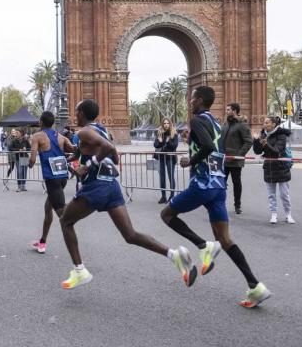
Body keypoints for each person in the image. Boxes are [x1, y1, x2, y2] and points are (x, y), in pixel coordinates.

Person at [59, 99, 195, 289]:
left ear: (82, 113)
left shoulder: (84, 131)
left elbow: (106, 148)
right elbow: (112, 153)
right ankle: (175, 255)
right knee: (130, 235)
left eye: (76, 111)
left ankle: (80, 270)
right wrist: (76, 156)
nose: (74, 115)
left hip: (96, 187)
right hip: (111, 186)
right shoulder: (101, 129)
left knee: (65, 221)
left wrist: (87, 166)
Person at [160, 87, 271, 307]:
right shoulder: (214, 122)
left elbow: (208, 146)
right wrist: (191, 140)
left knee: (166, 215)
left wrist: (189, 161)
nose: (190, 102)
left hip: (203, 183)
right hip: (219, 185)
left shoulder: (198, 120)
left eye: (192, 98)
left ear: (199, 100)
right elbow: (210, 144)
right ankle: (255, 286)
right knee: (225, 239)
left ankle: (203, 246)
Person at [28, 111, 75, 253]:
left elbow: (32, 159)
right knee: (48, 208)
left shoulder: (36, 136)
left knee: (62, 215)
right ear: (53, 123)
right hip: (62, 177)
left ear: (41, 123)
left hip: (52, 179)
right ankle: (42, 241)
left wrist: (29, 165)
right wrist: (66, 161)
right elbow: (74, 150)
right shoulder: (61, 137)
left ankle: (75, 250)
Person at [253, 116, 295, 224]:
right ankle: (274, 214)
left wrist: (265, 144)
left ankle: (288, 214)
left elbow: (276, 152)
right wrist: (256, 140)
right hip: (269, 168)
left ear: (273, 124)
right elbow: (257, 152)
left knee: (284, 194)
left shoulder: (281, 135)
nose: (264, 124)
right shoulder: (263, 135)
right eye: (264, 122)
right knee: (271, 195)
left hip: (281, 168)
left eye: (267, 122)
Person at [221, 103, 253, 214]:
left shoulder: (242, 125)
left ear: (234, 111)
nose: (226, 111)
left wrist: (239, 154)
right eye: (226, 109)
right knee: (221, 183)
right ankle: (221, 204)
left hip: (235, 160)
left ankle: (237, 205)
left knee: (236, 183)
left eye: (228, 109)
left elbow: (249, 141)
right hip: (224, 159)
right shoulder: (225, 124)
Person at [154, 118, 179, 204]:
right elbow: (156, 145)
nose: (166, 125)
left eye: (168, 123)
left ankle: (172, 196)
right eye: (164, 123)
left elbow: (174, 146)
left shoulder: (174, 133)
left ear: (170, 124)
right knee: (162, 177)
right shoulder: (160, 133)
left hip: (170, 158)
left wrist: (168, 142)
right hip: (161, 158)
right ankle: (163, 196)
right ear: (162, 124)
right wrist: (160, 141)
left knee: (171, 176)